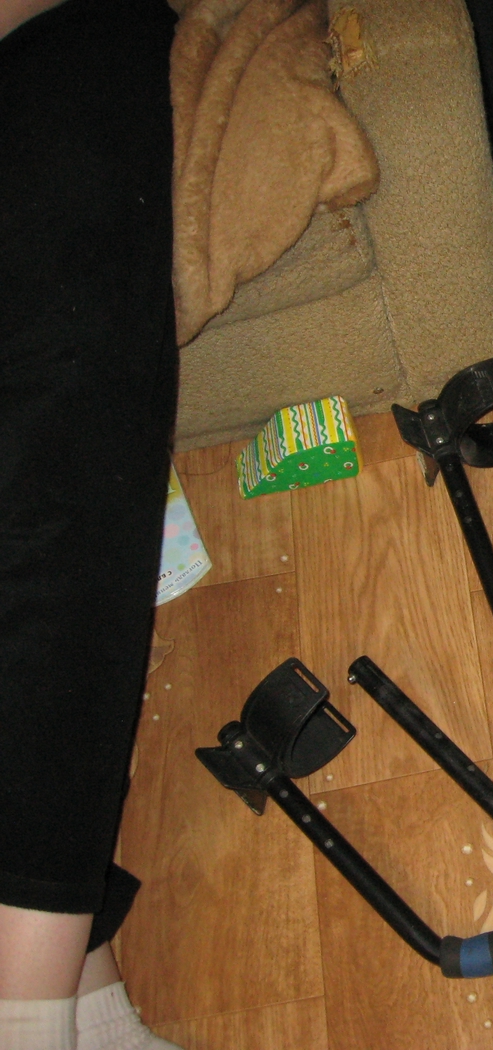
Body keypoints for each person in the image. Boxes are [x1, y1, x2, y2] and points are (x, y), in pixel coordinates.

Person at [1, 1, 186, 1047]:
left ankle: (56, 1001)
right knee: (66, 446)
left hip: (61, 41)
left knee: (72, 421)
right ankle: (48, 1006)